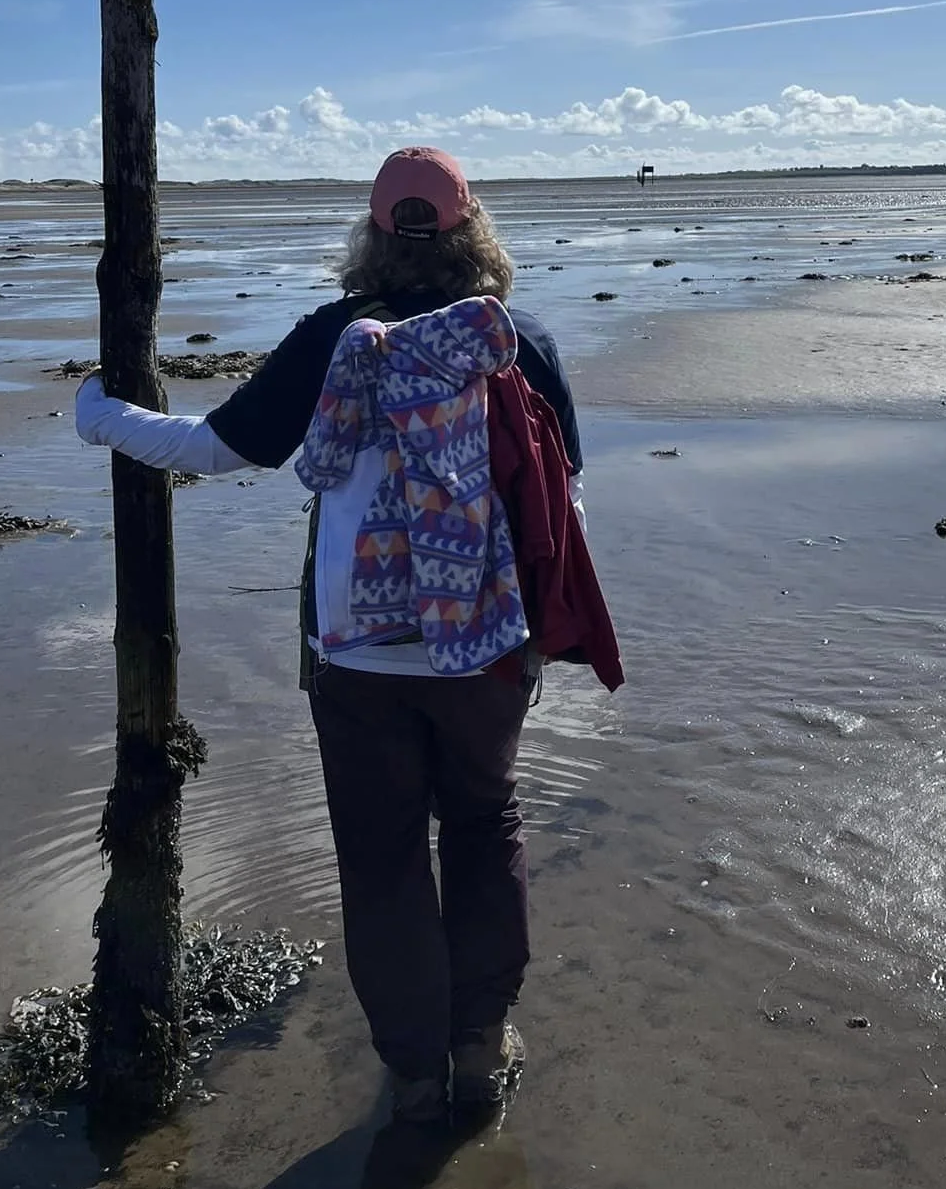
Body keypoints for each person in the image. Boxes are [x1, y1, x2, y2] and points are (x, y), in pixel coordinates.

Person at [74, 146, 586, 1127]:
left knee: (383, 854)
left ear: (373, 232)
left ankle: (413, 1074)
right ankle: (481, 1049)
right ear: (475, 225)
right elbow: (560, 508)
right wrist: (538, 639)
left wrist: (101, 416)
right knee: (486, 829)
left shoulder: (332, 337)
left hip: (357, 658)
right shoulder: (517, 342)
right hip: (485, 650)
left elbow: (211, 448)